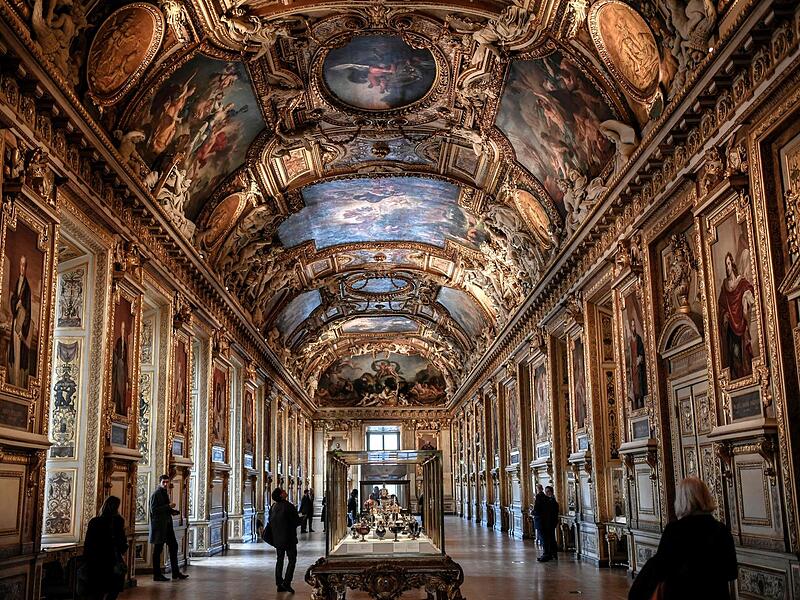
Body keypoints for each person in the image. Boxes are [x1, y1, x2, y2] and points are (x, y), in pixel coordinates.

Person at [629, 477, 737, 600]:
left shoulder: (674, 530)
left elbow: (660, 568)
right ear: (706, 497)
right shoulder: (721, 529)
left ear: (681, 500)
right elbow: (731, 572)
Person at [81, 496, 127, 600]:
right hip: (111, 560)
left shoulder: (94, 521)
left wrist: (87, 560)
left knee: (97, 592)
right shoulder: (118, 521)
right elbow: (121, 543)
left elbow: (88, 543)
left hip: (95, 561)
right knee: (113, 590)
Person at [149, 474, 188, 581]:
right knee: (157, 551)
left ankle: (175, 573)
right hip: (159, 527)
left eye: (167, 482)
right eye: (164, 482)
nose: (166, 484)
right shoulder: (156, 494)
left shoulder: (165, 493)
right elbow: (154, 510)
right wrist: (168, 506)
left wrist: (173, 511)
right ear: (160, 482)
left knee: (174, 546)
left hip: (167, 526)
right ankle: (157, 575)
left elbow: (164, 509)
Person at [270, 487, 301, 593]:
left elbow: (271, 521)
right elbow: (296, 521)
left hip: (278, 539)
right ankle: (287, 583)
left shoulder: (273, 507)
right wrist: (302, 519)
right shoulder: (288, 506)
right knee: (292, 560)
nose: (285, 491)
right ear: (281, 495)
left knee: (280, 560)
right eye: (283, 491)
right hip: (289, 538)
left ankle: (279, 584)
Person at [8, 255, 31, 388]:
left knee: (19, 352)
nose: (22, 268)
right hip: (15, 321)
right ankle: (13, 381)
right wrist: (16, 303)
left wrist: (23, 327)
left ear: (26, 268)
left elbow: (28, 309)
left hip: (21, 325)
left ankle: (18, 383)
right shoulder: (18, 282)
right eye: (20, 265)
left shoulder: (27, 287)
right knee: (14, 351)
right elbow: (14, 300)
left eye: (24, 265)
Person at [538, 485, 559, 562]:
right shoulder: (548, 500)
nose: (547, 493)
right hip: (548, 523)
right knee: (550, 539)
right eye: (546, 492)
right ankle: (551, 554)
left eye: (548, 491)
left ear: (551, 492)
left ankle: (551, 554)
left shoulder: (552, 501)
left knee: (550, 539)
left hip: (550, 523)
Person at [531, 483, 547, 557]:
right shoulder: (545, 496)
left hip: (539, 520)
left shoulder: (538, 496)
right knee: (545, 537)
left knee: (542, 537)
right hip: (544, 520)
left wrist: (532, 512)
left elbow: (537, 508)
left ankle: (545, 554)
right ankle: (547, 553)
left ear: (538, 489)